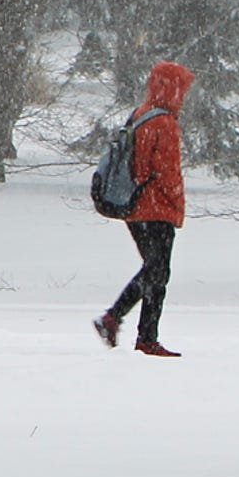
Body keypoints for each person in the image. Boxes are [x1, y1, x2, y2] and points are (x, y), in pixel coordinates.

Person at [94, 60, 191, 357]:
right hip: (156, 208)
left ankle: (135, 330)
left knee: (155, 271)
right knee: (157, 271)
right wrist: (176, 204)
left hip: (134, 206)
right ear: (173, 89)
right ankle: (126, 324)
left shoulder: (140, 114)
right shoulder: (165, 124)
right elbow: (167, 171)